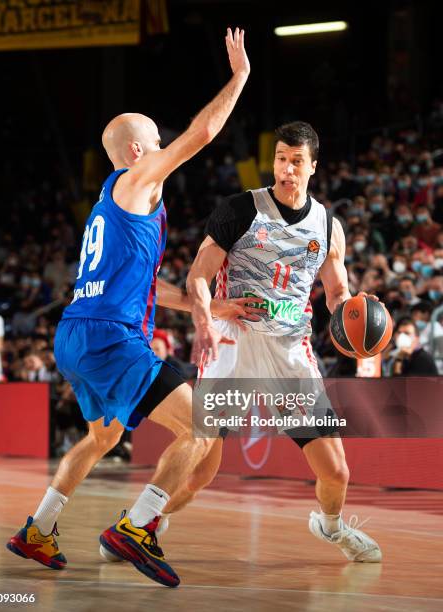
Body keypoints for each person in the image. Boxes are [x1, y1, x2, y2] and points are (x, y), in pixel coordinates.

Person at [6, 28, 253, 588]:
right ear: (139, 153)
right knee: (200, 423)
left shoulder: (107, 208)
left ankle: (37, 531)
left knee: (101, 438)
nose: (167, 149)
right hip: (110, 339)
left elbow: (146, 289)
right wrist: (238, 78)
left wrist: (211, 306)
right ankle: (136, 526)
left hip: (76, 335)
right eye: (158, 143)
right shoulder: (135, 180)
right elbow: (203, 132)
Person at [169, 121, 382, 562]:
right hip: (235, 341)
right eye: (281, 159)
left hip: (289, 351)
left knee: (338, 472)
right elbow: (198, 277)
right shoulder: (240, 209)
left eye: (297, 161)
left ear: (313, 167)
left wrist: (355, 311)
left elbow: (337, 294)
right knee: (199, 471)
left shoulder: (327, 226)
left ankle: (331, 528)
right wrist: (208, 315)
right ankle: (144, 522)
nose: (287, 169)